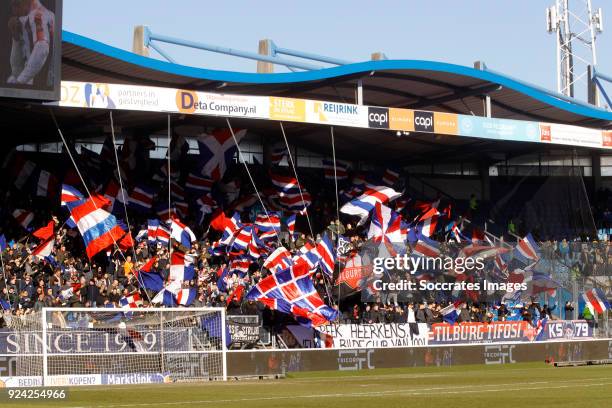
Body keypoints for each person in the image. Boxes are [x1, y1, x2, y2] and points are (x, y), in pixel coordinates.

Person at [7, 0, 55, 86]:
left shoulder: (38, 15)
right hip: (40, 83)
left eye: (16, 4)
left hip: (45, 83)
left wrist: (20, 81)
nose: (14, 10)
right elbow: (16, 69)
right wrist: (16, 38)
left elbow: (42, 50)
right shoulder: (26, 18)